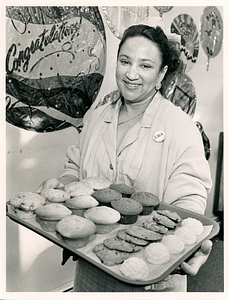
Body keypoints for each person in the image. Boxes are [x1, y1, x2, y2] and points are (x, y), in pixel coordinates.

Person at [37, 25, 213, 292]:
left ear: (161, 73)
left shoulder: (180, 126)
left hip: (149, 276)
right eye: (125, 61)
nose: (131, 74)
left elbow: (189, 200)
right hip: (92, 267)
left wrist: (187, 241)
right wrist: (65, 184)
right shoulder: (97, 116)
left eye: (145, 66)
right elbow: (76, 165)